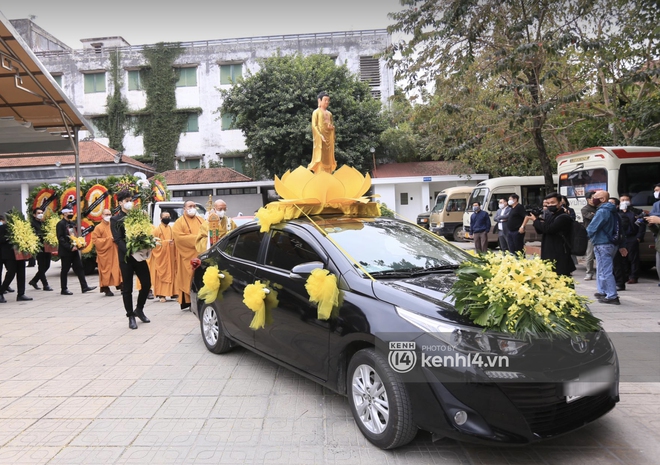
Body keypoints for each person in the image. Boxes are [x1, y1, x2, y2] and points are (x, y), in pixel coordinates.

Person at [110, 190, 151, 330]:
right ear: (120, 202)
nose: (129, 203)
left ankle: (139, 309)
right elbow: (117, 239)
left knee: (146, 284)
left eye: (130, 200)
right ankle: (130, 316)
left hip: (139, 256)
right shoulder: (115, 219)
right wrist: (129, 250)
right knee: (127, 288)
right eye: (126, 200)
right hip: (126, 257)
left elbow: (144, 232)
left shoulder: (138, 216)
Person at [586, 191, 627, 305]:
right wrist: (622, 245)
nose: (592, 199)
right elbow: (621, 230)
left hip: (602, 243)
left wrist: (590, 238)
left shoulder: (602, 211)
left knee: (605, 271)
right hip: (612, 244)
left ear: (603, 199)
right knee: (602, 269)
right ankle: (603, 291)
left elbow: (592, 228)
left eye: (595, 197)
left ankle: (612, 295)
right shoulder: (614, 211)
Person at [530, 192, 576, 277]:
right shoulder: (551, 215)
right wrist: (537, 220)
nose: (550, 205)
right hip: (549, 251)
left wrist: (536, 221)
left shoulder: (563, 217)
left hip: (560, 253)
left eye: (553, 203)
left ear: (560, 203)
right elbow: (541, 230)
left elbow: (549, 229)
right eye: (548, 203)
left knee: (562, 279)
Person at [173, 200, 204, 310]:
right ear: (184, 209)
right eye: (190, 206)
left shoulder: (201, 220)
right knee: (188, 278)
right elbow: (179, 238)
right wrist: (198, 239)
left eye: (194, 206)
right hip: (186, 255)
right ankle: (189, 301)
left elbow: (207, 234)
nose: (193, 208)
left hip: (201, 255)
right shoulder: (179, 222)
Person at [57, 208, 96, 295]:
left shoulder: (71, 223)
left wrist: (79, 244)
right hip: (66, 251)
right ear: (64, 214)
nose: (71, 213)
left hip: (74, 250)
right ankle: (64, 289)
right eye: (69, 212)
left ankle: (84, 287)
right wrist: (70, 247)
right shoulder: (61, 224)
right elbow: (61, 238)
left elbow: (75, 235)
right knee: (65, 270)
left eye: (72, 212)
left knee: (79, 268)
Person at [0, 215, 33, 302]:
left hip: (20, 254)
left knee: (22, 273)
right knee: (11, 273)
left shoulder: (22, 227)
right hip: (9, 255)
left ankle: (21, 294)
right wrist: (11, 238)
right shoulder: (3, 227)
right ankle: (1, 291)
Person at [91, 208, 122, 297]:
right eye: (106, 214)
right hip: (104, 254)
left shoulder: (114, 225)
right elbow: (95, 240)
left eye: (110, 214)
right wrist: (109, 240)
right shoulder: (98, 227)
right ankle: (106, 288)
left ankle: (120, 285)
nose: (108, 216)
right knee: (106, 271)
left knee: (117, 269)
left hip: (114, 252)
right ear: (102, 216)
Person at [618, 193, 646, 285]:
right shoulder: (617, 212)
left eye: (626, 200)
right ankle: (625, 275)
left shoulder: (636, 212)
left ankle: (634, 276)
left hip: (632, 237)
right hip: (621, 238)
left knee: (633, 258)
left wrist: (638, 237)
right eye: (622, 200)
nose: (624, 202)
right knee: (623, 258)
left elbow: (641, 225)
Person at [151, 211, 178, 303]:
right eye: (165, 216)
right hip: (161, 258)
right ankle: (161, 295)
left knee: (173, 273)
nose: (167, 218)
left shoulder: (171, 229)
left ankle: (173, 293)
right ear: (161, 218)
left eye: (169, 216)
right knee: (161, 274)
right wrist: (166, 243)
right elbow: (153, 244)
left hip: (170, 256)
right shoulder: (156, 230)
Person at [308, 91, 336, 174]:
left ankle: (328, 174)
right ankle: (320, 175)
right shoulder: (316, 112)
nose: (327, 102)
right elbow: (314, 126)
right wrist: (320, 136)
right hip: (320, 139)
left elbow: (331, 126)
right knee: (320, 158)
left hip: (328, 139)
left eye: (328, 100)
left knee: (328, 159)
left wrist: (332, 128)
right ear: (319, 101)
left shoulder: (329, 114)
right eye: (325, 100)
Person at [28, 208, 53, 291]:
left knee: (47, 266)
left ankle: (34, 280)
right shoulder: (32, 224)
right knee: (42, 267)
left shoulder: (44, 223)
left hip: (46, 247)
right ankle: (45, 285)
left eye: (42, 213)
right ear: (34, 215)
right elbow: (34, 235)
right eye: (38, 213)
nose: (40, 214)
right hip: (39, 248)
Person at [581, 191, 597, 280]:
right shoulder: (585, 209)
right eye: (593, 198)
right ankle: (589, 272)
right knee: (590, 255)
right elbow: (593, 218)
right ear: (588, 199)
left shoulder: (599, 208)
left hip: (601, 234)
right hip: (591, 234)